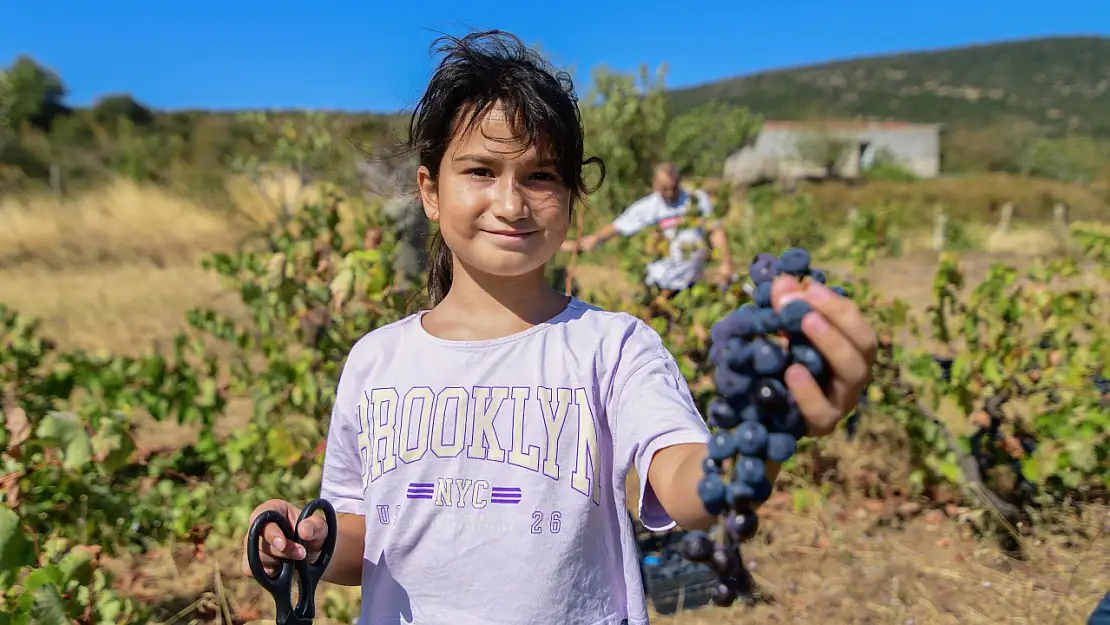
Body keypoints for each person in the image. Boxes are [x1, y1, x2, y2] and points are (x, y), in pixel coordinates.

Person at [241, 30, 877, 625]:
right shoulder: (376, 360)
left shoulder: (614, 347)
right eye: (482, 171)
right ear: (431, 191)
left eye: (540, 176)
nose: (512, 203)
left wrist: (764, 432)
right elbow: (359, 539)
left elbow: (685, 484)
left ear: (573, 198)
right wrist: (302, 542)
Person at [563, 162, 734, 293]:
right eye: (664, 188)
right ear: (655, 184)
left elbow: (715, 230)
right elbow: (619, 225)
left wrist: (725, 263)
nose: (668, 193)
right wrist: (594, 240)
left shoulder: (696, 200)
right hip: (661, 283)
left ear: (679, 182)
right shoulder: (649, 206)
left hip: (694, 280)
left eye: (672, 188)